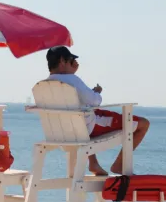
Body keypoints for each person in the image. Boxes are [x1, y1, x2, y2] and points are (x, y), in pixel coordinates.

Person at [45, 46, 150, 175]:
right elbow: (95, 101)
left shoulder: (44, 85)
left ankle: (93, 163)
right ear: (62, 61)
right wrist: (97, 93)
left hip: (62, 132)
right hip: (87, 126)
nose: (74, 64)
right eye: (71, 60)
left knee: (81, 121)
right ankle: (119, 165)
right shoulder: (72, 79)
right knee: (144, 124)